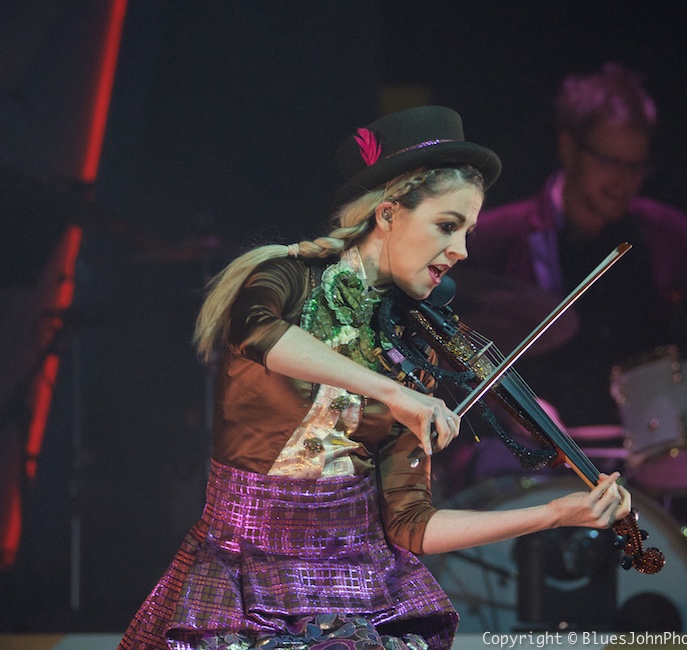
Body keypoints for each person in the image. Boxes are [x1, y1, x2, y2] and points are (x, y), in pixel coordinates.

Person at [118, 105, 632, 650]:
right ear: (388, 214)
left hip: (358, 593)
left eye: (468, 232)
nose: (461, 251)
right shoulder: (287, 278)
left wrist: (553, 514)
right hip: (246, 579)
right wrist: (392, 392)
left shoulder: (411, 349)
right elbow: (256, 332)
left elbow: (410, 523)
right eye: (447, 226)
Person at [448, 64, 687, 482]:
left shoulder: (666, 232)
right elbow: (451, 348)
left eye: (636, 166)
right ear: (568, 150)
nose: (624, 181)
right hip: (533, 458)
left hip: (641, 455)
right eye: (610, 162)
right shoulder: (494, 237)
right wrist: (514, 407)